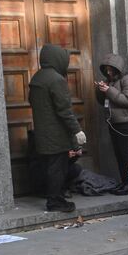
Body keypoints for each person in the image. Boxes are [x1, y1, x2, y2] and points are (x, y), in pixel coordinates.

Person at [28, 43, 86, 213]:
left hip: (43, 132)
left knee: (51, 167)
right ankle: (55, 201)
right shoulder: (56, 80)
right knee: (57, 169)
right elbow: (64, 110)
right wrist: (77, 130)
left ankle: (53, 197)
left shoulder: (37, 78)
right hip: (57, 134)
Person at [96, 53, 128, 194]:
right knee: (119, 155)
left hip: (125, 123)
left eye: (111, 69)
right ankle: (124, 182)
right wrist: (101, 90)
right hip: (113, 123)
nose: (108, 72)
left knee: (126, 155)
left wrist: (109, 90)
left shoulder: (127, 80)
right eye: (106, 69)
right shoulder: (110, 82)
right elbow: (103, 102)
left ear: (118, 68)